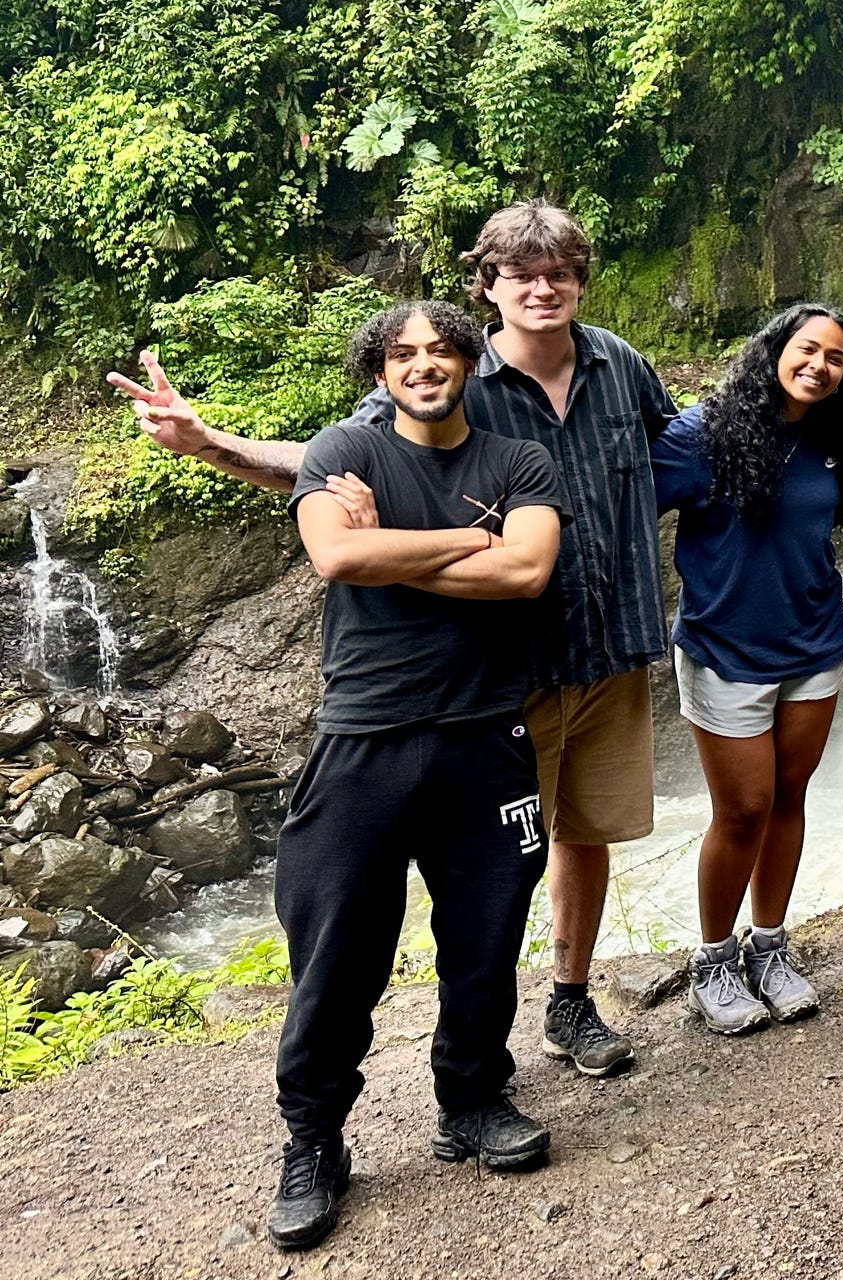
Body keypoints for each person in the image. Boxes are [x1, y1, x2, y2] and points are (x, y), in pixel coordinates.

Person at [109, 201, 674, 1080]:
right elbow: (329, 470)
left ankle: (570, 997)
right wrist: (209, 443)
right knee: (494, 865)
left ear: (579, 277)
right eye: (518, 272)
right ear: (486, 285)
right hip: (501, 669)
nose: (541, 286)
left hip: (612, 646)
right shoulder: (446, 373)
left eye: (558, 270)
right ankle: (469, 1049)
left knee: (584, 833)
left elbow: (672, 454)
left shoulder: (621, 364)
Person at [267, 301, 565, 1249]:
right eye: (404, 355)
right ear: (381, 369)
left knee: (485, 936)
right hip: (365, 736)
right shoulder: (339, 453)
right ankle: (315, 1139)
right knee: (338, 947)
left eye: (441, 351)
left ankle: (471, 1099)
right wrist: (473, 542)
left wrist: (392, 553)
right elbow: (334, 552)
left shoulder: (518, 461)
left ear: (470, 362)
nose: (425, 366)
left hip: (487, 734)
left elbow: (527, 577)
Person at [650, 304, 843, 1033]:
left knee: (789, 797)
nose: (818, 366)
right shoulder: (702, 434)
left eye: (835, 358)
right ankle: (713, 959)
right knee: (742, 809)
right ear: (775, 349)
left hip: (813, 645)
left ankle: (771, 947)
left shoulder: (837, 438)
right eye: (807, 350)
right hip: (725, 651)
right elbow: (625, 507)